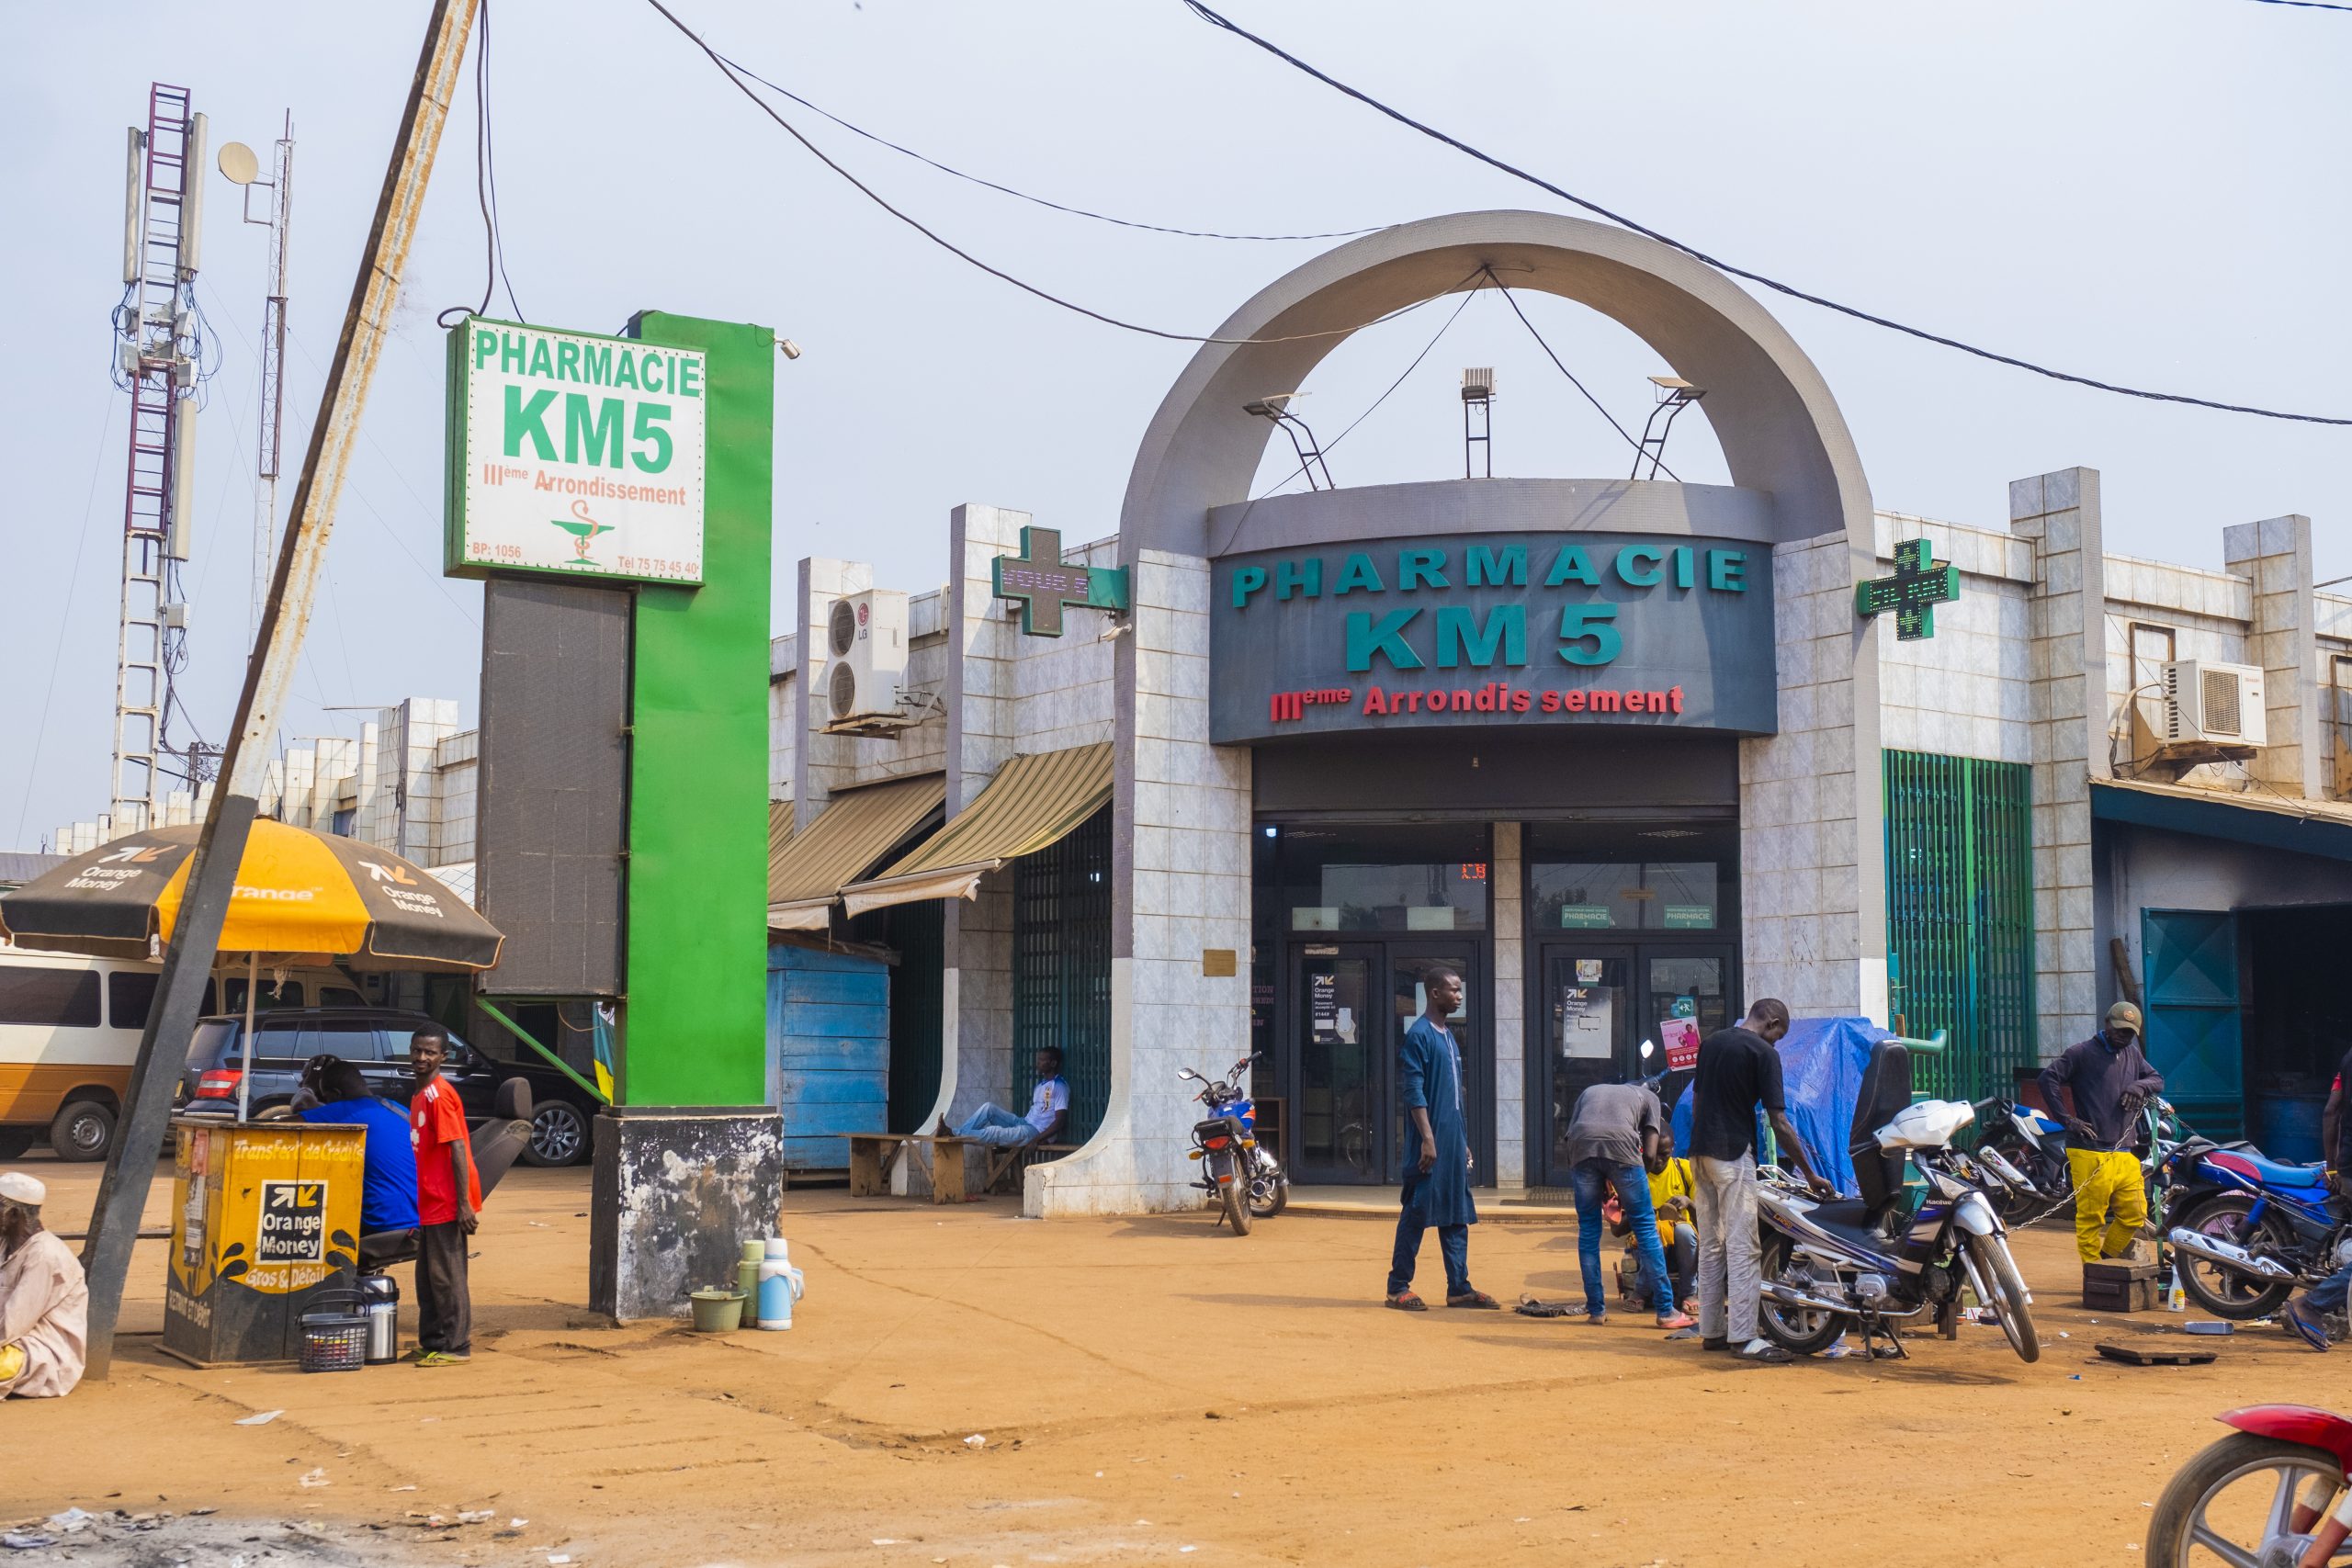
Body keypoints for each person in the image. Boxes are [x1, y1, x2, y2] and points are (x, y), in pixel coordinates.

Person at [1685, 998, 1838, 1363]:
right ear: (1771, 1022)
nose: (1776, 1043)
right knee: (1744, 1247)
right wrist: (1810, 1172)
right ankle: (1744, 1338)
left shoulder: (1712, 1043)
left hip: (1699, 1154)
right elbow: (1779, 1122)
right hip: (1732, 1153)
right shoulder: (1763, 1054)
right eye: (1778, 1035)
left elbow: (1700, 1100)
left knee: (1711, 1245)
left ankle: (1712, 1331)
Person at [1385, 968, 1498, 1312]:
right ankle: (1397, 1287)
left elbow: (1453, 1097)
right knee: (1417, 1213)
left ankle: (1459, 1288)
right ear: (1434, 993)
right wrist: (1428, 1140)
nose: (1459, 996)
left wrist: (1461, 1139)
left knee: (1455, 1215)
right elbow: (1414, 1091)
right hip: (1430, 1147)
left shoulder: (1448, 1036)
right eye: (1454, 990)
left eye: (1460, 990)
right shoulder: (1419, 1035)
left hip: (1451, 1143)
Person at [1560, 1078, 1694, 1329]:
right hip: (1621, 1147)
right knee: (1646, 1229)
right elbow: (1651, 1153)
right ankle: (1666, 1311)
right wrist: (1628, 1184)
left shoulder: (1591, 1090)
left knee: (1589, 1232)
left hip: (1581, 1150)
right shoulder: (1650, 1099)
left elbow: (1569, 1137)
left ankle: (1596, 1310)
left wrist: (1602, 1184)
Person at [2038, 1001, 2165, 1265]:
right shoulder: (2081, 1053)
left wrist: (2139, 1086)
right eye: (2118, 1030)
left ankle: (2105, 1261)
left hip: (2124, 1151)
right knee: (2091, 1218)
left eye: (2128, 1033)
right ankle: (2093, 1272)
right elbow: (2047, 1078)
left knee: (2135, 1212)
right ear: (2107, 1023)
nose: (2122, 1036)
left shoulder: (2132, 1055)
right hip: (2089, 1150)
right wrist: (2067, 1120)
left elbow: (2157, 1080)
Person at [298, 1057, 421, 1262]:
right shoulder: (396, 1109)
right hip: (418, 1217)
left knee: (302, 1226)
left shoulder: (347, 1111)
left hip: (384, 1221)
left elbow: (289, 1119)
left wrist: (307, 1087)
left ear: (336, 1095)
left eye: (328, 1099)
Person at [409, 1024, 481, 1367]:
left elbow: (457, 1148)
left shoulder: (440, 1095)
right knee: (427, 1277)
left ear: (443, 1056)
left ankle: (456, 1345)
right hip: (429, 1200)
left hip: (447, 1201)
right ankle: (433, 1340)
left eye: (430, 1052)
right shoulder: (420, 1095)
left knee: (447, 1276)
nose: (422, 1057)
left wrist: (463, 1203)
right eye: (418, 1050)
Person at [0, 1172, 87, 1398]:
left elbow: (11, 1326)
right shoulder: (6, 1244)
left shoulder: (45, 1255)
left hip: (41, 1351)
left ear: (13, 1214)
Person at [1611, 1154, 1698, 1317]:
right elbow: (1616, 1231)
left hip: (1684, 1243)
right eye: (1653, 1154)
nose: (1658, 1159)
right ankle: (1642, 1291)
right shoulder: (1632, 1174)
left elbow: (1705, 1223)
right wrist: (1639, 1211)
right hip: (1643, 1243)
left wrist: (1689, 1203)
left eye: (1664, 1154)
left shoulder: (1685, 1169)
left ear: (1672, 1148)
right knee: (1655, 1232)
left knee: (1684, 1231)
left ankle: (1689, 1292)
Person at [936, 1047, 1071, 1147]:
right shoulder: (1040, 1086)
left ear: (1053, 1063)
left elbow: (1060, 1121)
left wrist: (1036, 1140)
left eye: (1042, 1060)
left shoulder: (1059, 1086)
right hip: (1025, 1123)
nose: (1038, 1063)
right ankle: (957, 1133)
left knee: (994, 1132)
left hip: (1035, 1132)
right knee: (988, 1108)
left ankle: (953, 1133)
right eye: (1038, 1059)